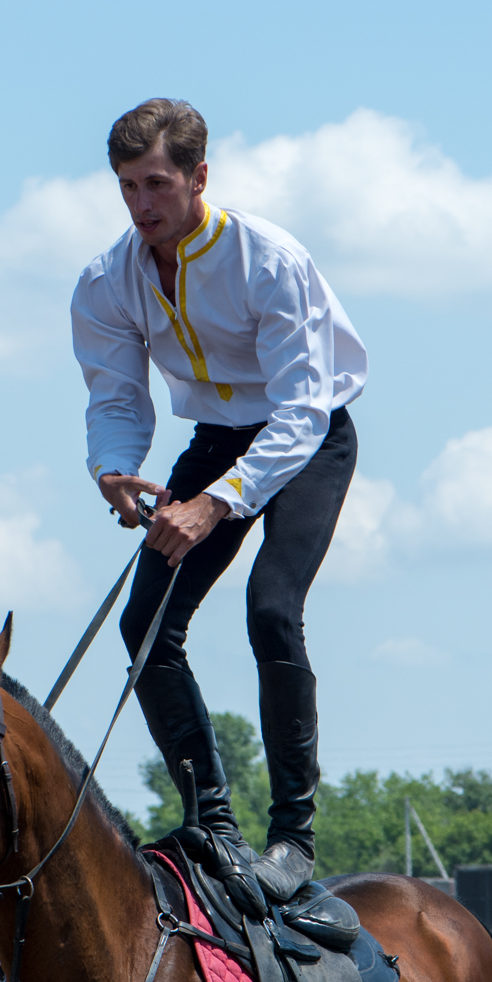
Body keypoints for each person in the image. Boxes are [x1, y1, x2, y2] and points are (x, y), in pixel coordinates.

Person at [74, 99, 365, 912]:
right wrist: (115, 469)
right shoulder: (106, 281)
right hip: (216, 435)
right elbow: (117, 394)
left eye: (157, 184)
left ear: (199, 177)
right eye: (127, 186)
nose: (141, 205)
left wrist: (216, 504)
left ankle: (293, 839)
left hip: (304, 437)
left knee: (271, 610)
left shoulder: (269, 259)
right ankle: (213, 826)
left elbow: (303, 412)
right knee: (144, 627)